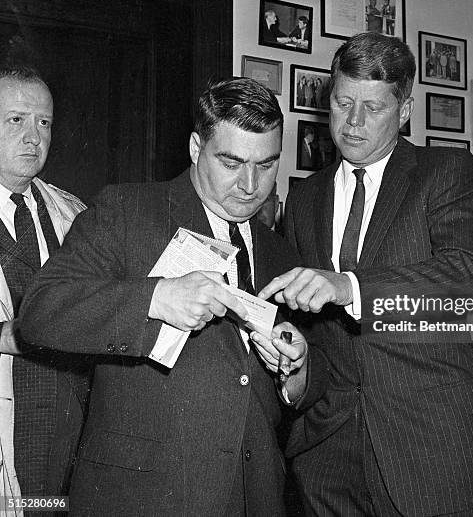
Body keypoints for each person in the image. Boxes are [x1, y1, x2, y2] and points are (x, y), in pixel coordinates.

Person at [19, 78, 328, 515]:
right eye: (232, 162)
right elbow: (39, 312)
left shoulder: (281, 250)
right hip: (143, 497)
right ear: (195, 147)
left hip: (253, 497)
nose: (249, 184)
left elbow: (307, 381)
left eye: (266, 164)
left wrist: (295, 371)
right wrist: (156, 299)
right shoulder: (126, 211)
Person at [259, 32, 473, 516]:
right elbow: (307, 329)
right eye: (343, 103)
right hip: (327, 451)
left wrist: (350, 287)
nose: (354, 122)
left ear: (404, 111)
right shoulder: (302, 198)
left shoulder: (444, 170)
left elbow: (468, 279)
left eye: (374, 107)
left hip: (430, 450)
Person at [0, 65, 88, 509]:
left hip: (67, 437)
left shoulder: (74, 214)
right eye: (16, 120)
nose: (34, 138)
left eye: (44, 123)